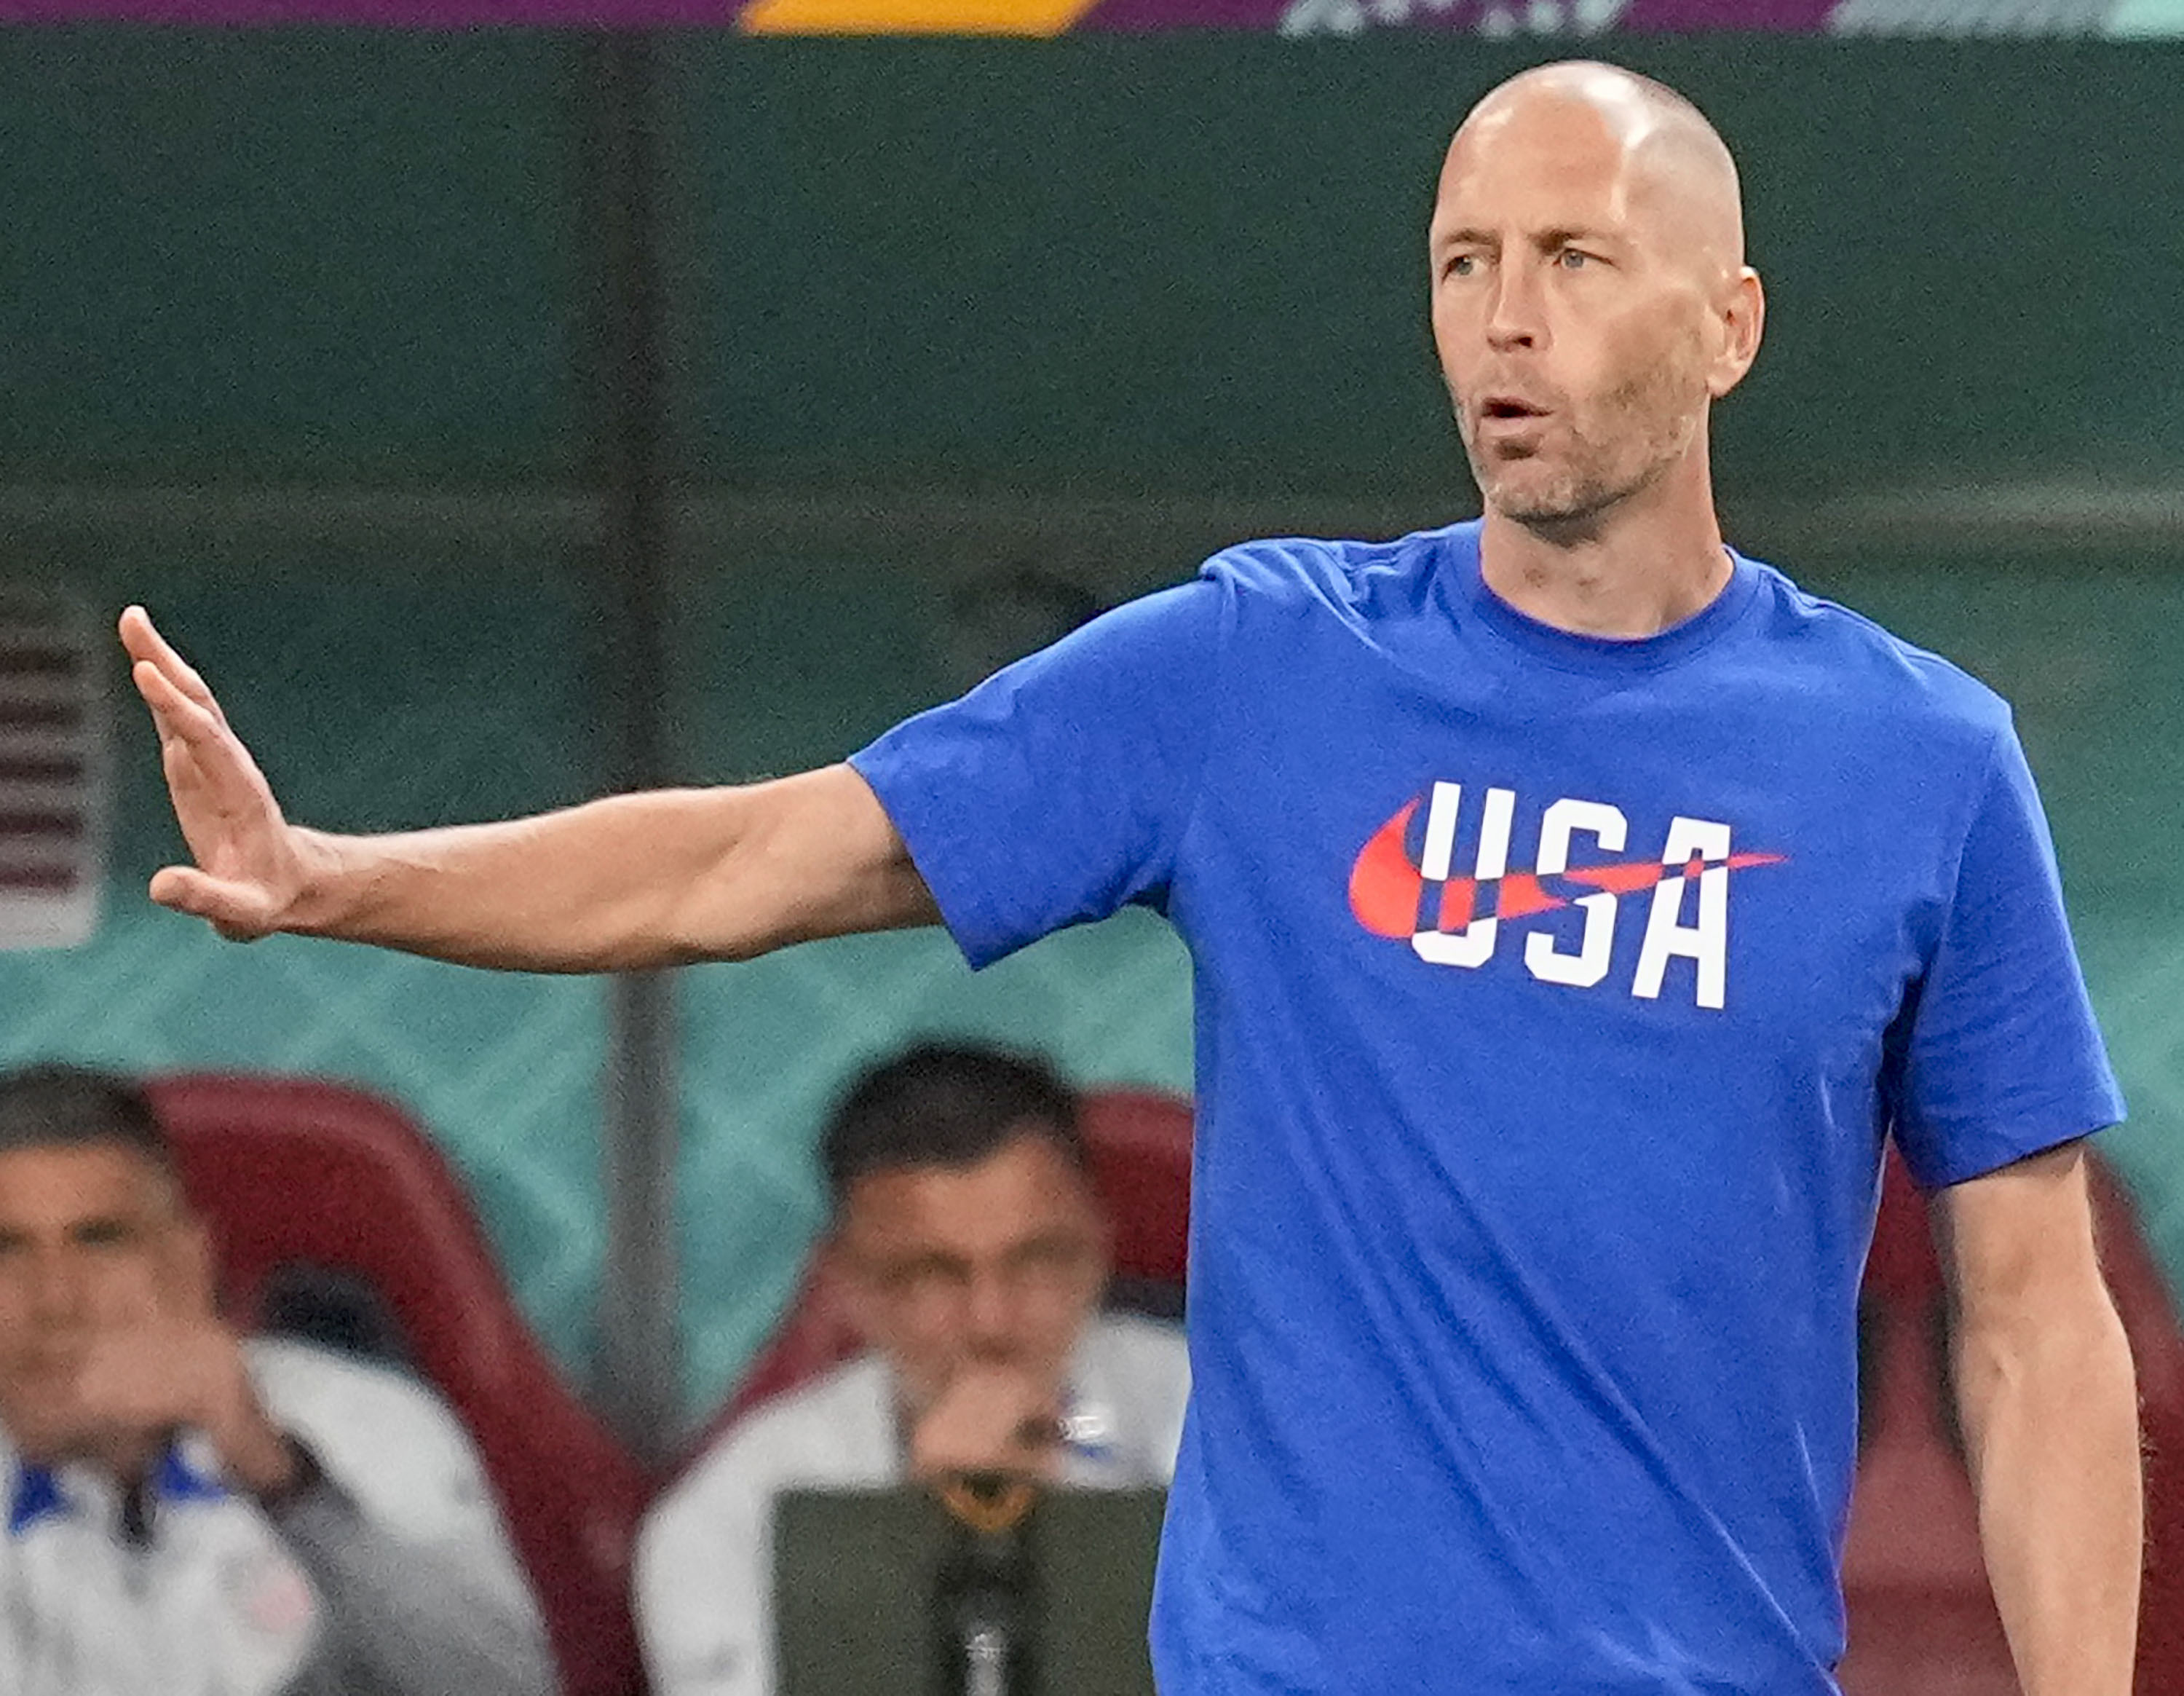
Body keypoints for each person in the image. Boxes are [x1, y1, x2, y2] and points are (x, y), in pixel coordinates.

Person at [116, 58, 2139, 1696]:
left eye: (1574, 259)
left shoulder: (1920, 762)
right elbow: (755, 855)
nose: (1504, 320)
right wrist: (339, 874)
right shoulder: (1258, 668)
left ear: (1728, 326)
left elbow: (2036, 1327)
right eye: (1461, 262)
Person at [635, 1041, 1190, 1696]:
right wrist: (918, 1535)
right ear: (848, 1281)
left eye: (1037, 1259)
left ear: (1098, 1244)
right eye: (933, 1274)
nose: (992, 1321)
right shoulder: (735, 1518)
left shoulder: (1211, 1421)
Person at [0, 1062, 557, 1696]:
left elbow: (514, 1688)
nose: (55, 1300)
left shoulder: (367, 1425)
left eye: (100, 1241)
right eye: (7, 1250)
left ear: (188, 1264)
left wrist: (284, 1482)